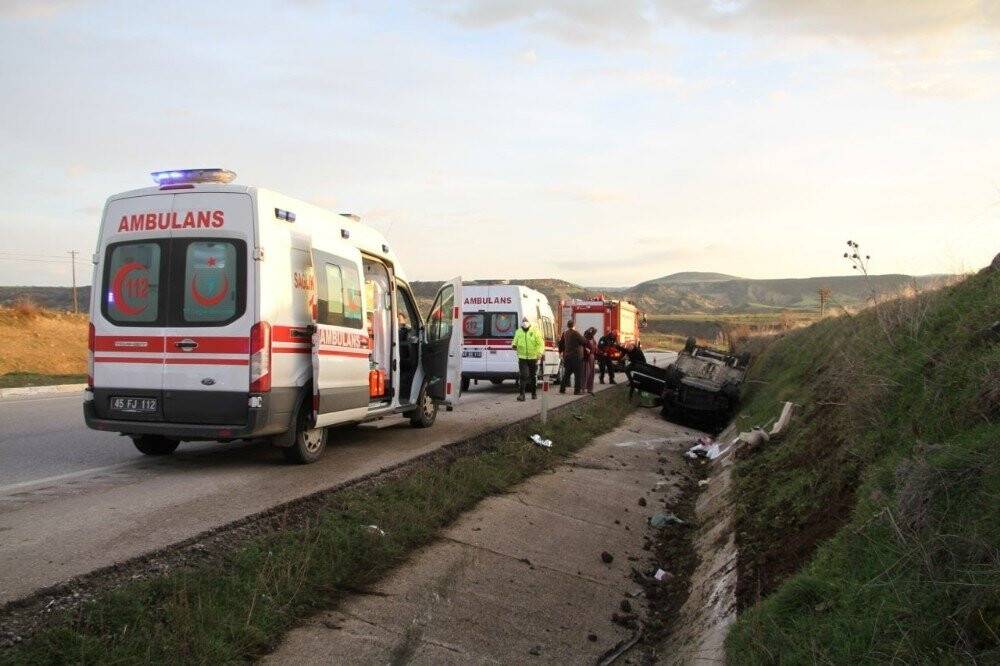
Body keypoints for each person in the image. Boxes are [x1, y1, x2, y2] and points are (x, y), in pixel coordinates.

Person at [511, 317, 544, 401]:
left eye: (526, 321)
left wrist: (539, 353)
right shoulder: (518, 331)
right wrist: (514, 345)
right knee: (523, 375)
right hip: (522, 357)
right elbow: (515, 341)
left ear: (529, 323)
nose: (525, 322)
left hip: (533, 357)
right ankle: (522, 395)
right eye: (523, 321)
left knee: (532, 376)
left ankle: (534, 393)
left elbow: (540, 344)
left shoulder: (535, 331)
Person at [558, 320, 586, 395]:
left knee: (567, 373)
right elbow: (583, 341)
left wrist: (560, 352)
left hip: (567, 356)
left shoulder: (565, 333)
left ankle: (562, 389)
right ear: (574, 325)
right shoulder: (575, 333)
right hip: (576, 357)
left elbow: (561, 344)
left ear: (567, 325)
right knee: (578, 374)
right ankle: (577, 391)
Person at [582, 326, 598, 394]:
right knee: (586, 372)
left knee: (591, 373)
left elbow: (595, 347)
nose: (594, 334)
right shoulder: (586, 338)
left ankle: (589, 388)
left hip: (591, 356)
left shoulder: (592, 339)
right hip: (587, 357)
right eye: (594, 332)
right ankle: (583, 388)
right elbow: (584, 347)